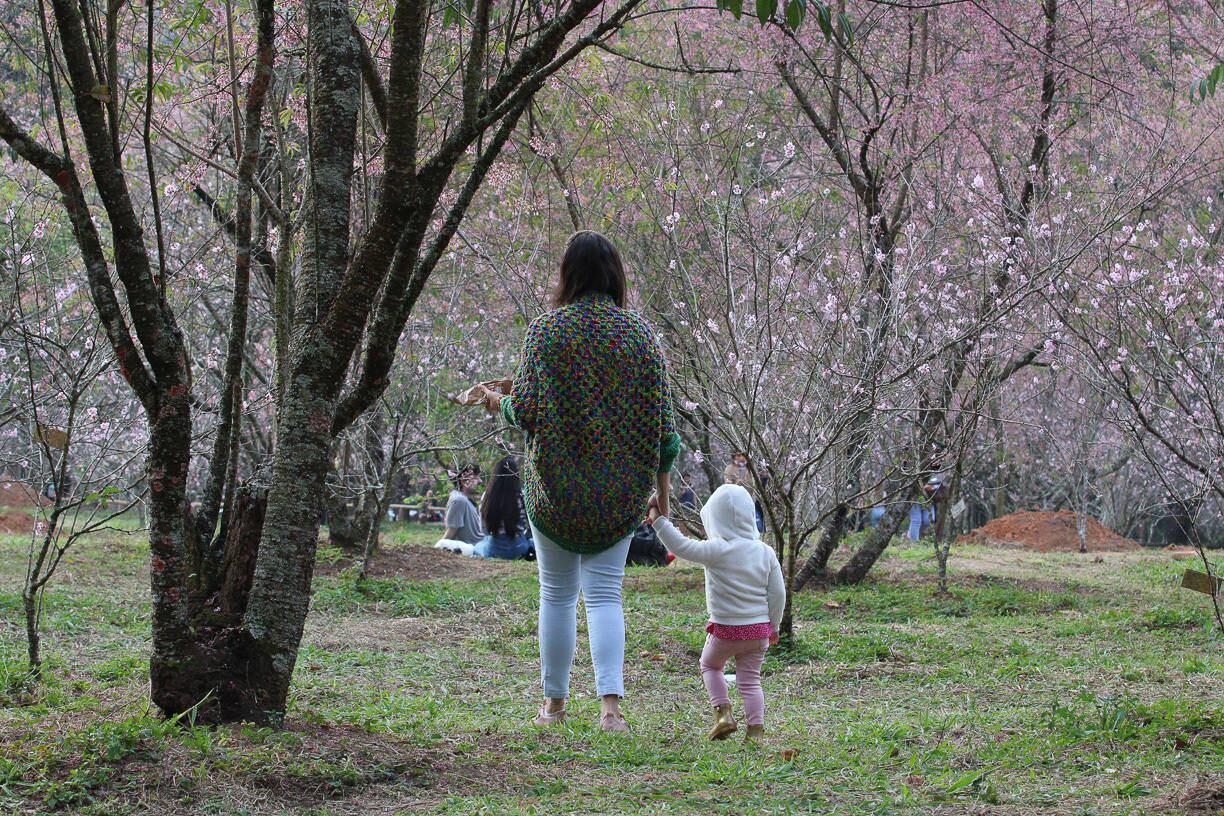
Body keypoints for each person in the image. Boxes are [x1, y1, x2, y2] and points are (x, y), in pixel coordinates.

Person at [477, 230, 681, 733]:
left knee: (557, 595)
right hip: (619, 493)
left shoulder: (546, 333)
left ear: (568, 273)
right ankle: (611, 710)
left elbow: (523, 411)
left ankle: (554, 706)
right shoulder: (640, 337)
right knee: (607, 595)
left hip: (557, 492)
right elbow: (664, 432)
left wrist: (492, 401)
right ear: (615, 274)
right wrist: (663, 497)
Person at [648, 483, 785, 743]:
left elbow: (681, 546)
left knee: (710, 665)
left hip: (726, 630)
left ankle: (723, 714)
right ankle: (755, 732)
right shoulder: (765, 552)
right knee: (751, 681)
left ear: (714, 518)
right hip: (758, 632)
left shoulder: (716, 550)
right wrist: (774, 626)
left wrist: (658, 520)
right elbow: (778, 594)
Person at [474, 456, 533, 560]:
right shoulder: (522, 496)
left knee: (477, 547)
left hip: (493, 548)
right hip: (519, 548)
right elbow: (530, 527)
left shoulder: (487, 497)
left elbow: (483, 530)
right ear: (516, 474)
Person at [441, 464, 484, 547]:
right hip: (474, 549)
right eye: (476, 477)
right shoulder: (459, 500)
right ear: (464, 480)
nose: (480, 481)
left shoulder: (463, 499)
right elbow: (451, 533)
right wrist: (437, 550)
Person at [723, 453, 765, 533]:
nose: (741, 458)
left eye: (742, 455)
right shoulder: (730, 469)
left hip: (753, 498)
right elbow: (727, 486)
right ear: (734, 457)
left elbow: (757, 482)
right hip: (737, 500)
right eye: (738, 455)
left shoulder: (751, 468)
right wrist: (737, 483)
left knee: (757, 522)